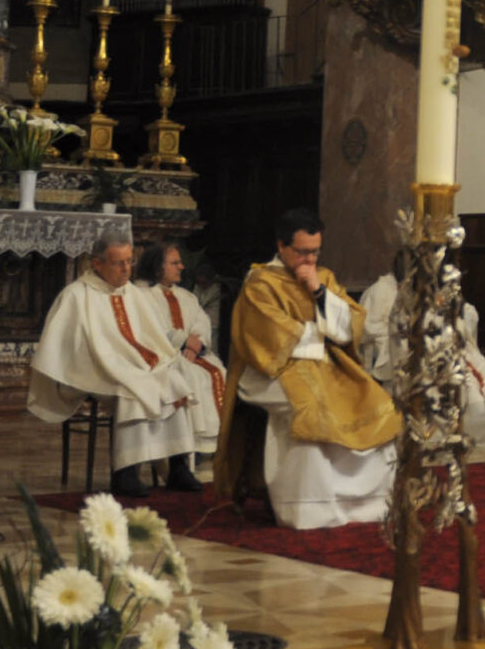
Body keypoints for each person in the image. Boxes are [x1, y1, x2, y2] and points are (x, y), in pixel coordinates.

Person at [213, 209, 398, 529]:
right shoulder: (261, 283)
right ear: (281, 246)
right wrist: (322, 333)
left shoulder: (322, 277)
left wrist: (318, 291)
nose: (310, 259)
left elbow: (352, 325)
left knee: (376, 401)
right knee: (312, 410)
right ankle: (310, 507)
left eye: (315, 251)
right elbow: (271, 336)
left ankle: (369, 503)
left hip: (324, 364)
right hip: (270, 370)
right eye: (302, 252)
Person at [26, 237, 198, 498]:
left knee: (172, 379)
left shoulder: (132, 293)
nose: (127, 269)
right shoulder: (77, 295)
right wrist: (115, 362)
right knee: (131, 387)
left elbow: (150, 336)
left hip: (133, 365)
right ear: (97, 263)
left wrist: (146, 361)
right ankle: (125, 472)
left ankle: (177, 466)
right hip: (94, 371)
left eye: (130, 261)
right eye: (119, 263)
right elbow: (69, 345)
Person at [356, 271, 485, 448]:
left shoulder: (429, 287)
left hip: (440, 349)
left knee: (482, 366)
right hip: (407, 358)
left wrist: (455, 310)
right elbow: (371, 331)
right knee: (463, 376)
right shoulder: (381, 291)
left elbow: (455, 316)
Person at [144, 242, 226, 471]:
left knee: (220, 372)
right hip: (165, 357)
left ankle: (212, 446)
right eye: (174, 263)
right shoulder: (144, 296)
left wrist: (196, 342)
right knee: (190, 377)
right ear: (158, 267)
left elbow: (201, 321)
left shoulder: (187, 296)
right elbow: (148, 328)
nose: (181, 267)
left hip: (194, 355)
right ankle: (188, 446)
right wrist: (182, 341)